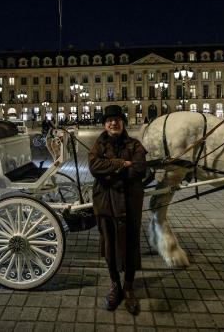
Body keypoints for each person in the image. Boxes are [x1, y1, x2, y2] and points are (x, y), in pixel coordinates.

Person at [88, 104, 147, 315]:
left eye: (117, 120)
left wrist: (110, 169)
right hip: (105, 202)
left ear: (123, 123)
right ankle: (115, 285)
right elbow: (94, 167)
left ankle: (129, 287)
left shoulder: (135, 145)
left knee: (131, 244)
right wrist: (122, 163)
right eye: (109, 120)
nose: (113, 123)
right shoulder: (99, 145)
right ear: (104, 124)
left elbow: (139, 169)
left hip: (130, 203)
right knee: (110, 244)